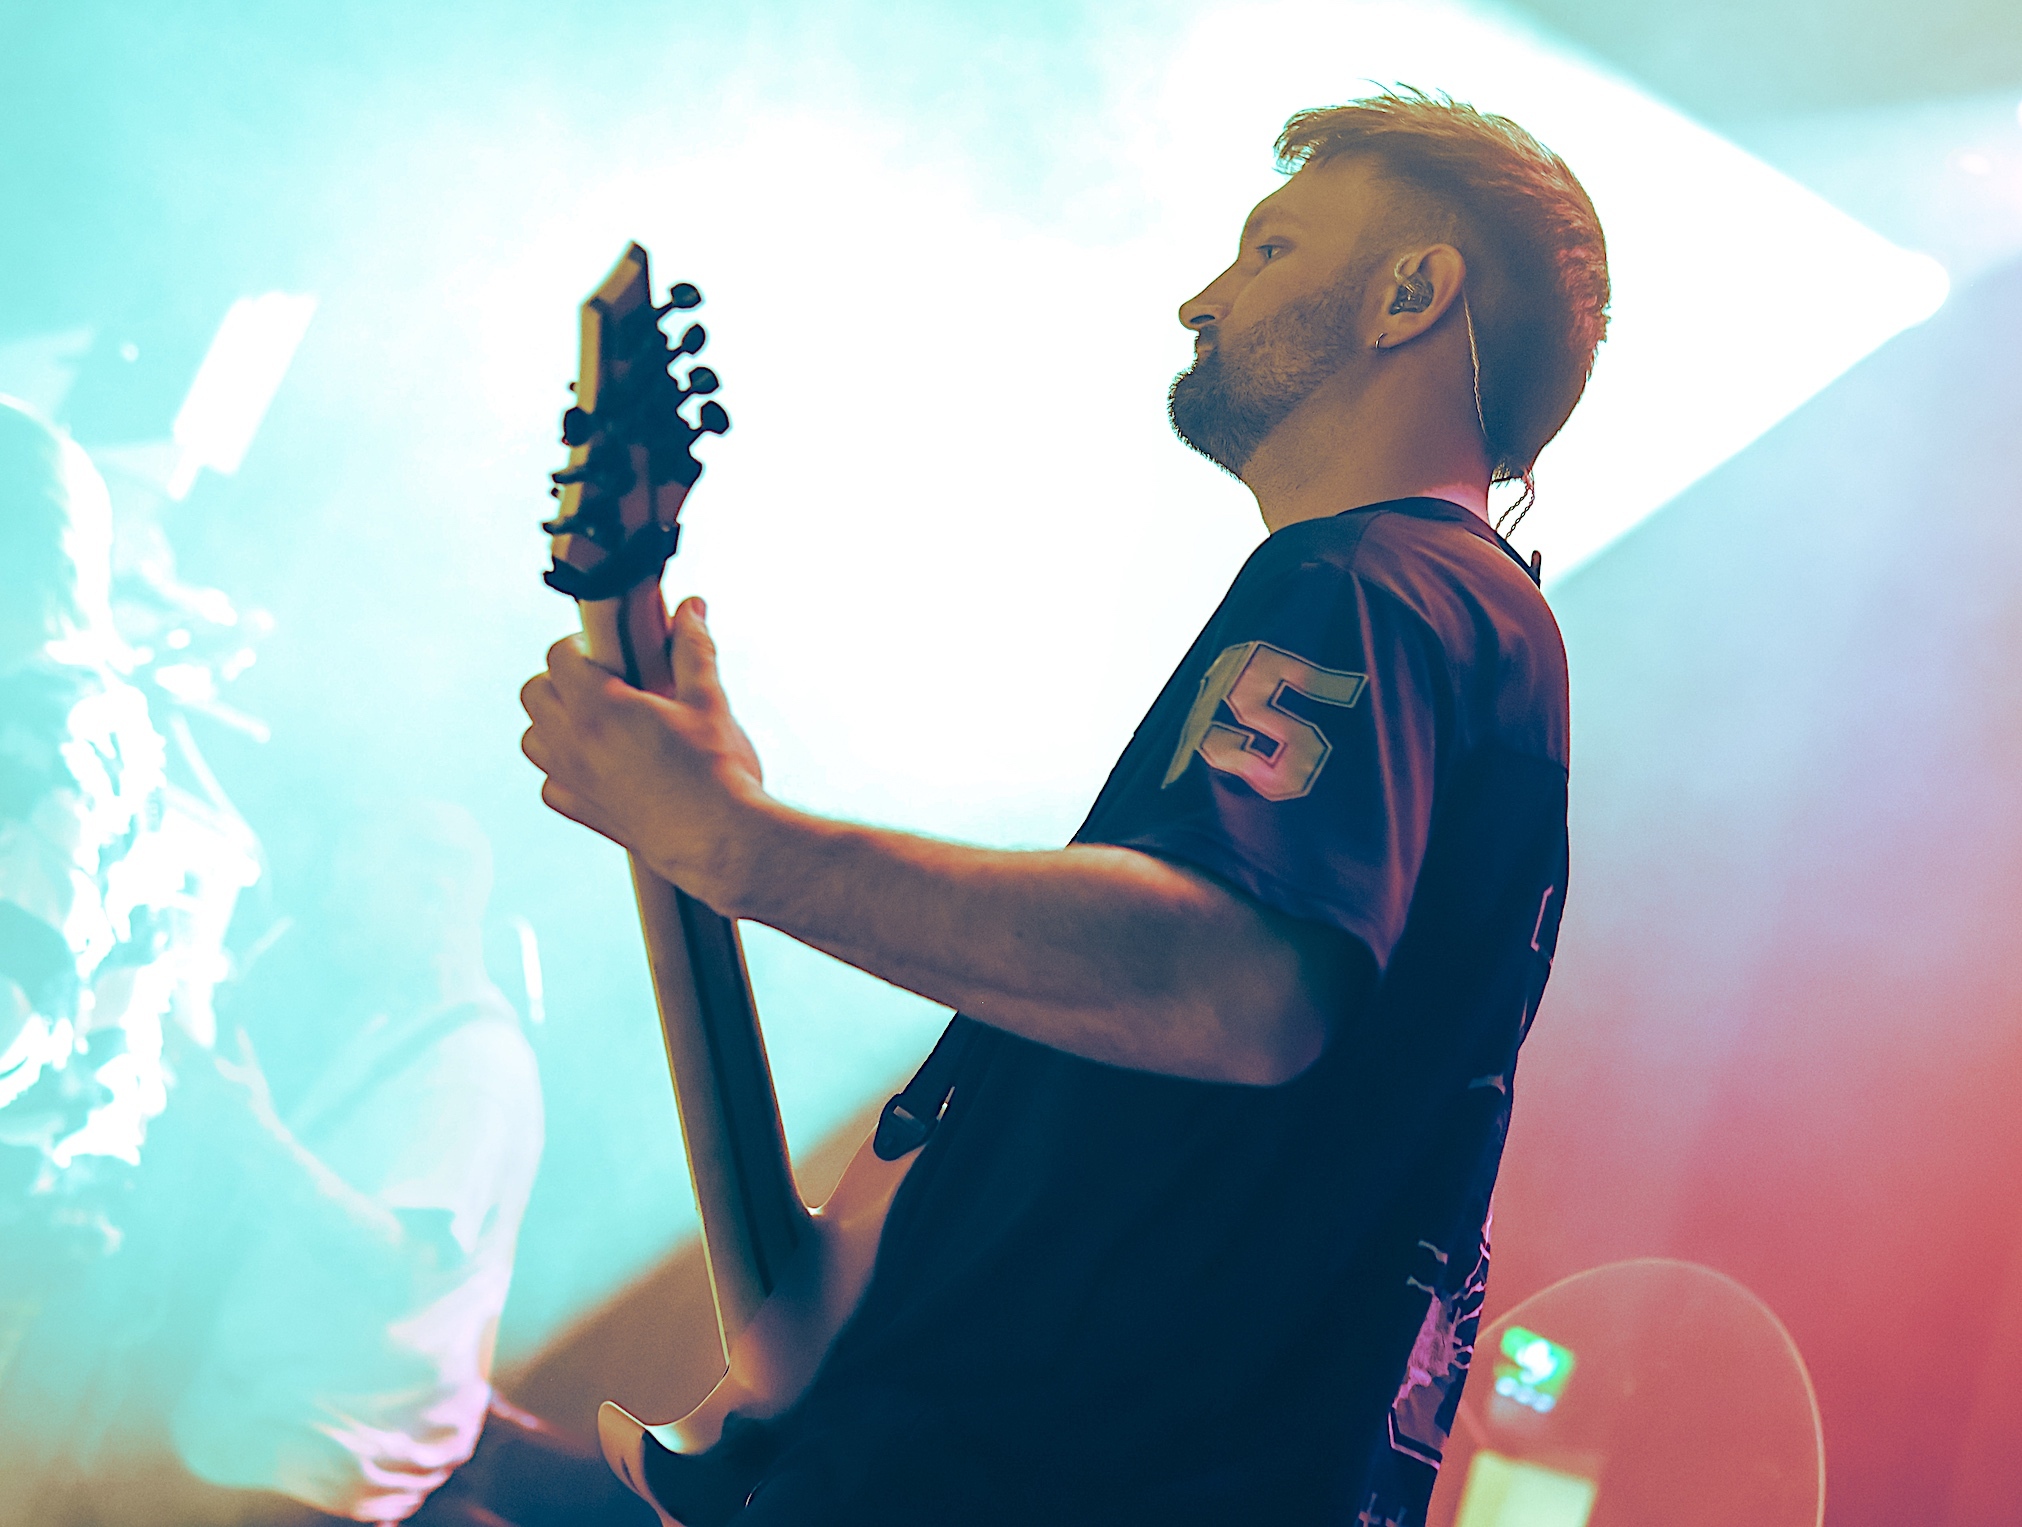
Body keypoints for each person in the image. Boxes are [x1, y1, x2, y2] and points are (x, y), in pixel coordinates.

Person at [520, 88, 1608, 1525]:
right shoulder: (1439, 614)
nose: (1200, 299)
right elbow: (796, 1339)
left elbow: (1238, 986)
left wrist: (738, 844)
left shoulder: (1380, 584)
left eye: (1270, 249)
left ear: (1411, 294)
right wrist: (698, 841)